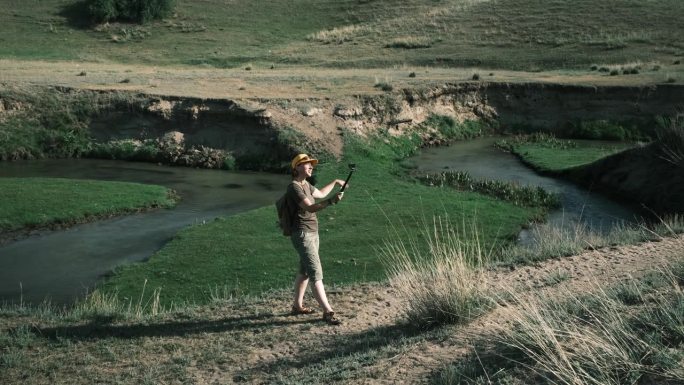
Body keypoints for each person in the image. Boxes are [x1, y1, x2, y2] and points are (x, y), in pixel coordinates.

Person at [286, 153, 346, 325]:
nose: (311, 166)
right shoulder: (294, 187)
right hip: (302, 234)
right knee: (315, 272)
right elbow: (310, 207)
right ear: (296, 167)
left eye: (312, 164)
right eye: (306, 164)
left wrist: (335, 183)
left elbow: (319, 194)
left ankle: (297, 306)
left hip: (312, 232)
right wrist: (331, 202)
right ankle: (328, 311)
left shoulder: (307, 185)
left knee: (305, 271)